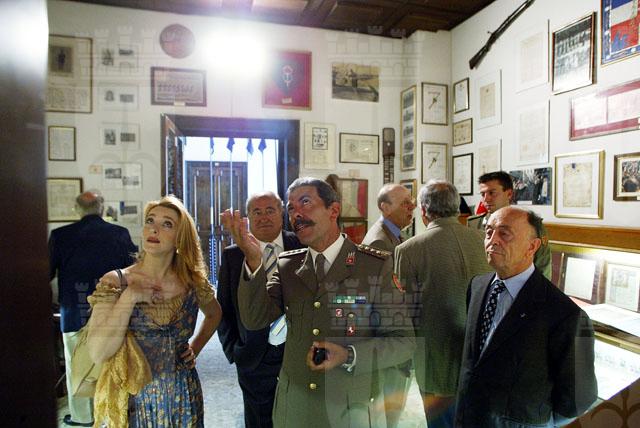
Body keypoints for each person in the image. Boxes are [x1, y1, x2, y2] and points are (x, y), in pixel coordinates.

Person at [221, 177, 415, 427]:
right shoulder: (288, 266)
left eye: (305, 203)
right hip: (295, 407)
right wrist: (253, 260)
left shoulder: (374, 266)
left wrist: (349, 355)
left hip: (350, 408)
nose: (296, 214)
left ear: (333, 210)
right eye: (291, 208)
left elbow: (403, 342)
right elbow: (255, 319)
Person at [86, 195, 222, 427]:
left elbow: (214, 314)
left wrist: (196, 347)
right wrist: (130, 297)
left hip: (183, 394)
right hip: (134, 397)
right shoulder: (116, 282)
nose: (154, 229)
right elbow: (98, 353)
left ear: (180, 237)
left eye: (167, 224)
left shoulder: (192, 283)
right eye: (150, 220)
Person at [455, 206, 597, 427]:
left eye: (504, 233)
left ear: (532, 246)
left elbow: (577, 398)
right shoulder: (477, 286)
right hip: (469, 416)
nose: (492, 240)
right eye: (489, 232)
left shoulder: (564, 314)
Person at [394, 181, 491, 428]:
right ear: (457, 207)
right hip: (483, 352)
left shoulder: (409, 250)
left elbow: (404, 311)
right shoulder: (484, 240)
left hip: (436, 358)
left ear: (424, 211)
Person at [49, 190, 137, 427]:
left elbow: (46, 273)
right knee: (110, 363)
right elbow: (132, 270)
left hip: (74, 309)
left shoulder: (59, 235)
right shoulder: (120, 234)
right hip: (113, 311)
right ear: (101, 207)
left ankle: (82, 417)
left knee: (75, 365)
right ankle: (109, 415)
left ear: (77, 209)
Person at [217, 191, 303, 428]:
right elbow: (224, 307)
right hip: (254, 355)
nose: (264, 217)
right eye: (257, 212)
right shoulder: (234, 255)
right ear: (248, 217)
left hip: (297, 352)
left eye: (270, 210)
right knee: (259, 419)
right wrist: (235, 350)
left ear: (281, 212)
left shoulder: (302, 244)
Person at [362, 183, 415, 428]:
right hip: (387, 342)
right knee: (385, 414)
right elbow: (380, 300)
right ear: (385, 207)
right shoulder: (380, 242)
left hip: (392, 339)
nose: (412, 206)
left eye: (411, 201)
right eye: (405, 203)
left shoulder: (393, 234)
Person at [467, 171, 551, 279]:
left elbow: (542, 265)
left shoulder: (529, 224)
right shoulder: (474, 223)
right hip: (483, 284)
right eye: (483, 194)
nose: (486, 199)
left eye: (492, 193)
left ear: (509, 194)